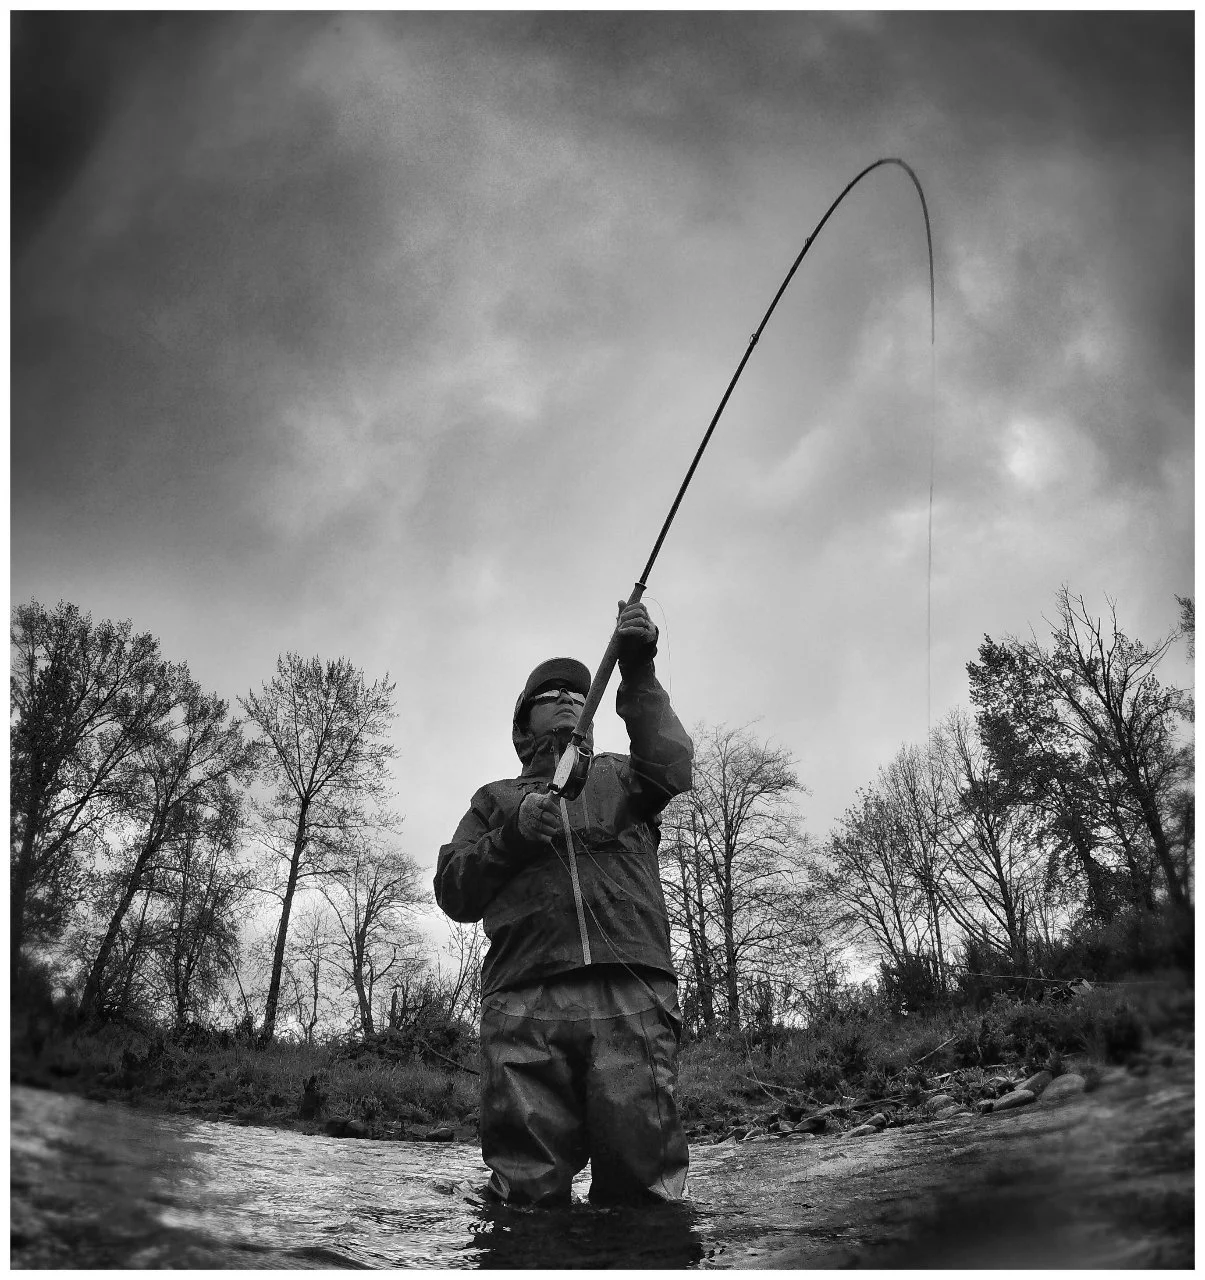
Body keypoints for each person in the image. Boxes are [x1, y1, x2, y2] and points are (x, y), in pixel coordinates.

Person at [434, 601, 693, 1207]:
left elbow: (674, 763)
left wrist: (638, 669)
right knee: (525, 1195)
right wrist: (514, 836)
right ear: (522, 725)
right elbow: (453, 890)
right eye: (550, 695)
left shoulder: (628, 777)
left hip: (632, 998)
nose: (568, 700)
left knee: (643, 1189)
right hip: (523, 1008)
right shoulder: (493, 800)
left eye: (578, 693)